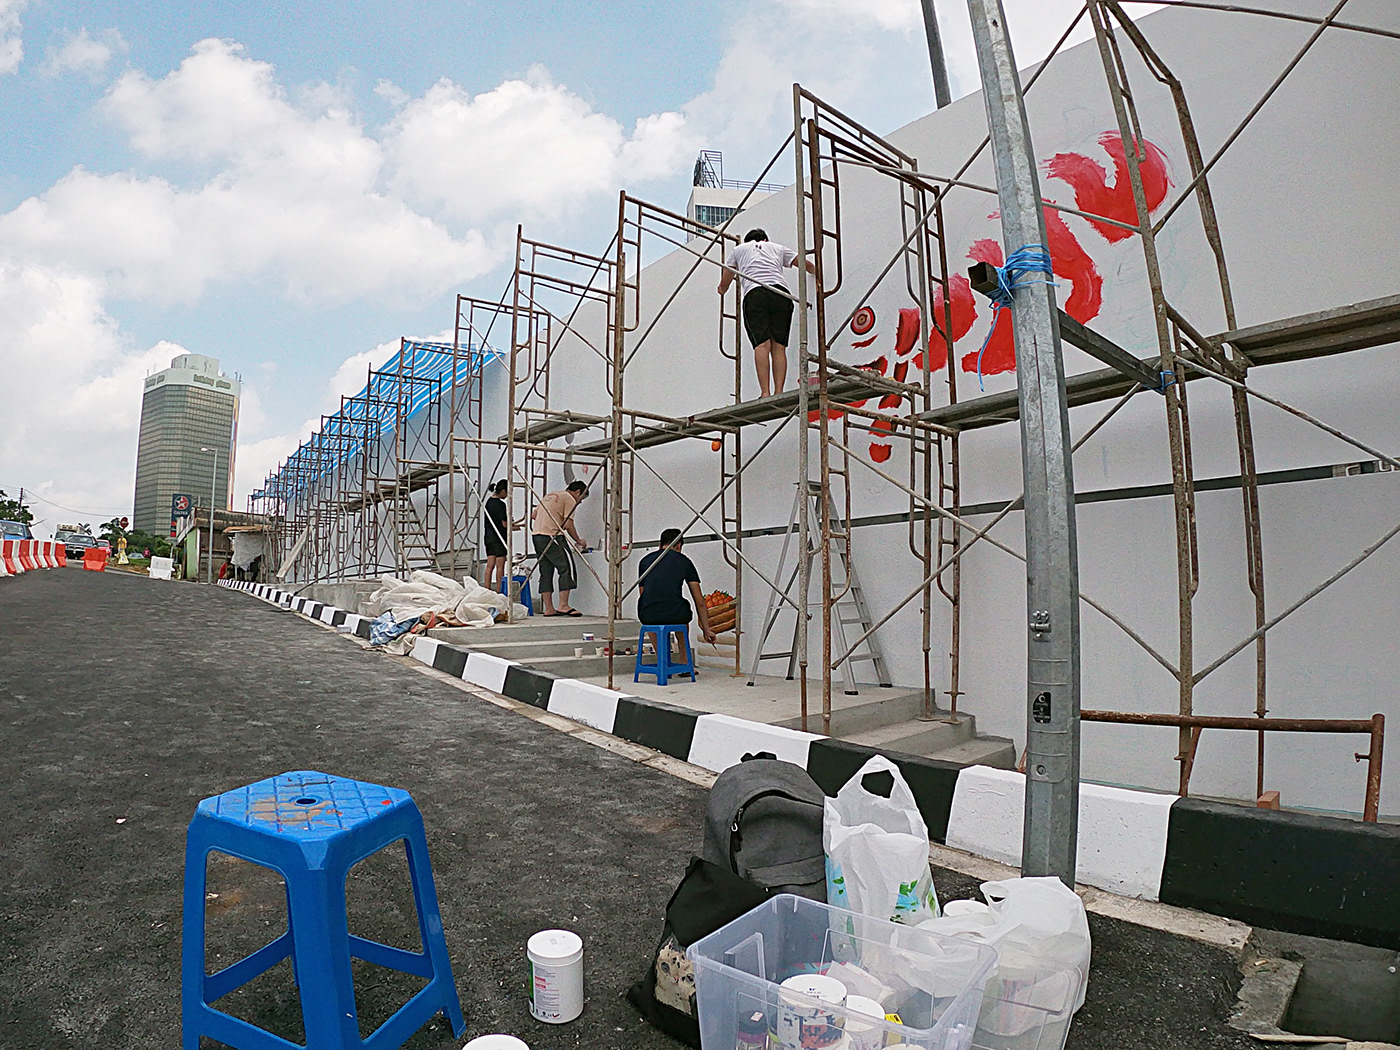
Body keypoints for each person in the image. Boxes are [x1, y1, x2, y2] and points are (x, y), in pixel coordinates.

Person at [717, 228, 817, 399]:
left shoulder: (739, 250)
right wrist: (816, 272)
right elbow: (804, 264)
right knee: (779, 346)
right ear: (765, 239)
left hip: (755, 294)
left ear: (748, 241)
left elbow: (727, 276)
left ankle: (765, 392)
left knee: (762, 345)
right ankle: (779, 391)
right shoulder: (777, 247)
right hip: (780, 293)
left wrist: (722, 289)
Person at [637, 529, 717, 645]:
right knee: (682, 618)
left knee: (650, 616)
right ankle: (684, 658)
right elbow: (699, 600)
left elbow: (643, 594)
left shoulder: (645, 561)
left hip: (649, 615)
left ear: (660, 545)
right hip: (675, 614)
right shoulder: (685, 562)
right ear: (679, 545)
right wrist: (706, 629)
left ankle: (660, 657)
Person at [531, 480, 588, 616]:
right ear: (578, 492)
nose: (579, 502)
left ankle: (549, 608)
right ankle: (563, 605)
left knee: (546, 571)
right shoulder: (569, 498)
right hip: (552, 535)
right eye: (581, 499)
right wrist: (579, 541)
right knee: (566, 567)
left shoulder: (550, 495)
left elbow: (534, 515)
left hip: (537, 536)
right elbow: (568, 525)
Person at [484, 479, 510, 591]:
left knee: (490, 565)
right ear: (503, 491)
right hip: (499, 538)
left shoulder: (488, 502)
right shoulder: (500, 504)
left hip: (489, 537)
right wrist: (513, 526)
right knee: (500, 566)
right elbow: (504, 524)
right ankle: (500, 591)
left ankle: (486, 589)